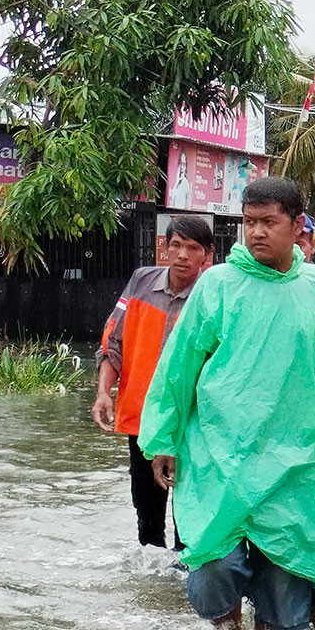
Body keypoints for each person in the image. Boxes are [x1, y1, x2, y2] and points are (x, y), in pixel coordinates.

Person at [139, 177, 315, 630]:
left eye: (269, 222)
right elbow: (178, 366)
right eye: (249, 222)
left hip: (295, 456)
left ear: (297, 225)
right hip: (220, 452)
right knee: (212, 564)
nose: (258, 232)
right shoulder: (218, 286)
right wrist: (163, 440)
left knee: (286, 574)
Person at [93, 216, 213, 548]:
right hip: (143, 418)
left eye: (192, 248)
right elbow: (113, 343)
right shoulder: (141, 282)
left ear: (207, 256)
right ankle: (151, 594)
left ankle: (184, 588)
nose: (183, 255)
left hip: (193, 423)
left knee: (189, 522)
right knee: (147, 519)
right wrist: (104, 392)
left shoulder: (212, 296)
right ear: (164, 247)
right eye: (175, 245)